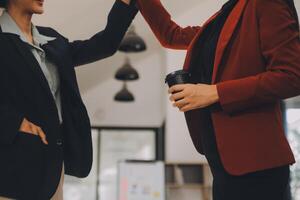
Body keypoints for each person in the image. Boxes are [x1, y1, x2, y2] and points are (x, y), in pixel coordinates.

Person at [135, 0, 300, 199]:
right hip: (223, 163)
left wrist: (215, 93)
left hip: (255, 165)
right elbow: (171, 35)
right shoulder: (225, 15)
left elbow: (291, 76)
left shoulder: (266, 3)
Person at [0, 0, 137, 199]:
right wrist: (14, 122)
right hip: (12, 170)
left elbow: (104, 45)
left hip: (53, 170)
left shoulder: (53, 40)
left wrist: (125, 3)